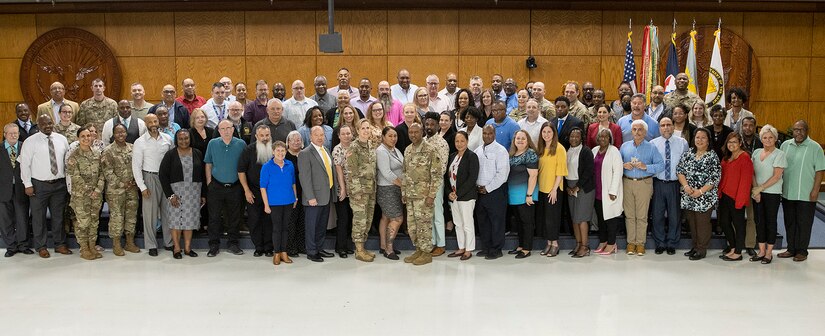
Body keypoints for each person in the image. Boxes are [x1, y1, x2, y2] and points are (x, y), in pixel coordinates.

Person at [19, 114, 71, 258]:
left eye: (49, 123)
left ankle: (60, 244)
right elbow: (25, 165)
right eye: (44, 124)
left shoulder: (62, 139)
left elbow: (67, 161)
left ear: (53, 122)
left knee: (58, 217)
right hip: (38, 185)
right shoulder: (30, 142)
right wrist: (27, 184)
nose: (47, 126)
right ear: (38, 125)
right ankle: (41, 246)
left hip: (59, 185)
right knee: (38, 218)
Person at [778, 120, 825, 262]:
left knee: (804, 223)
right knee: (790, 222)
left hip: (806, 194)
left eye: (801, 129)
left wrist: (815, 190)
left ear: (807, 131)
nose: (798, 132)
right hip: (788, 193)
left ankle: (802, 251)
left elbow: (819, 170)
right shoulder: (785, 145)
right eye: (796, 130)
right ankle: (791, 249)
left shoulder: (815, 147)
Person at [158, 128, 205, 259]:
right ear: (176, 140)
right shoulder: (170, 155)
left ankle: (188, 248)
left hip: (193, 193)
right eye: (180, 139)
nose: (183, 141)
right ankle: (177, 248)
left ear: (190, 139)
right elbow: (163, 175)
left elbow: (202, 175)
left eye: (186, 138)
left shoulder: (197, 153)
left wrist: (203, 194)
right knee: (175, 221)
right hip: (176, 193)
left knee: (190, 221)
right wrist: (170, 195)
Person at [620, 120, 664, 256]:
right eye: (634, 129)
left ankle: (640, 243)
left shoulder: (651, 147)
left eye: (640, 130)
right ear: (631, 131)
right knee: (629, 215)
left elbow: (660, 165)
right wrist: (623, 165)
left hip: (644, 183)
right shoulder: (624, 146)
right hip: (627, 182)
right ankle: (630, 242)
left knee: (642, 215)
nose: (637, 132)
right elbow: (616, 164)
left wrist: (646, 167)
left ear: (645, 132)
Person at [133, 114, 175, 256]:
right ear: (145, 124)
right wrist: (142, 187)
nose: (153, 123)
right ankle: (151, 245)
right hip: (149, 178)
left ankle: (169, 242)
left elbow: (173, 161)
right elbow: (136, 166)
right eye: (150, 121)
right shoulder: (140, 142)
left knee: (167, 212)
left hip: (166, 179)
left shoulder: (168, 139)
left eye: (155, 121)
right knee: (149, 214)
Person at [677, 128, 721, 260]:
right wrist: (685, 186)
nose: (699, 140)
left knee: (702, 224)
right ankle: (695, 246)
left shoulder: (712, 156)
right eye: (697, 137)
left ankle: (702, 249)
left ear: (708, 141)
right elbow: (680, 170)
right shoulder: (688, 153)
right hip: (689, 194)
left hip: (704, 197)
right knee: (692, 223)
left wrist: (700, 191)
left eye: (703, 138)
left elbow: (715, 178)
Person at [204, 120, 247, 257]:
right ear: (219, 130)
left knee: (234, 217)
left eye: (229, 128)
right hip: (216, 186)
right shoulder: (213, 143)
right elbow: (208, 164)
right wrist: (209, 182)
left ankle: (233, 243)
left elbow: (244, 166)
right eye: (223, 128)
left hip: (235, 186)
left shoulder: (241, 144)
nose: (226, 130)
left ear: (233, 129)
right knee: (214, 217)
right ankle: (214, 245)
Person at [402, 123, 441, 265]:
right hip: (411, 195)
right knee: (412, 226)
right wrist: (404, 192)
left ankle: (426, 253)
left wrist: (431, 195)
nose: (413, 135)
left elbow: (437, 175)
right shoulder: (407, 150)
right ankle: (418, 249)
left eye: (416, 132)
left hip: (424, 196)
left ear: (422, 132)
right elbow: (405, 173)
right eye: (410, 132)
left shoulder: (430, 150)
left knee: (424, 224)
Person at [649, 117, 689, 255]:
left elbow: (686, 165)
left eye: (668, 125)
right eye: (663, 125)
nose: (666, 128)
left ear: (673, 126)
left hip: (675, 184)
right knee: (657, 214)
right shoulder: (653, 144)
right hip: (658, 183)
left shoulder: (682, 143)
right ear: (659, 128)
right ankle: (660, 242)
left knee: (674, 215)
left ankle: (672, 242)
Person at [298, 126, 338, 262]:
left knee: (322, 225)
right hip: (314, 197)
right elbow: (304, 177)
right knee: (311, 226)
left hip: (326, 196)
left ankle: (319, 248)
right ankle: (311, 251)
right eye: (317, 135)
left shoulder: (325, 150)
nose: (320, 137)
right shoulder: (305, 153)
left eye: (322, 135)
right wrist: (310, 197)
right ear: (310, 137)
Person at [100, 124, 141, 256]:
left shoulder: (133, 148)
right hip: (115, 190)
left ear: (126, 133)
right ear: (113, 134)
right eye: (118, 132)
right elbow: (108, 172)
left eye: (123, 132)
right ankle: (116, 244)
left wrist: (135, 181)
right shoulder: (108, 150)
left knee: (131, 215)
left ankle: (129, 242)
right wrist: (122, 184)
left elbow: (138, 165)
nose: (120, 134)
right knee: (117, 217)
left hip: (132, 188)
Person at [65, 126, 104, 260]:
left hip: (96, 196)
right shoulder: (73, 156)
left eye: (88, 136)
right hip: (81, 196)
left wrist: (97, 190)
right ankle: (84, 248)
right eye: (83, 136)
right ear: (78, 138)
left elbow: (102, 174)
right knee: (83, 223)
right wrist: (89, 191)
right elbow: (75, 177)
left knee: (94, 222)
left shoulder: (97, 153)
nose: (86, 138)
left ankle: (92, 246)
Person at [750, 125, 787, 264]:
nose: (768, 140)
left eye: (771, 137)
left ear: (775, 139)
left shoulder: (780, 154)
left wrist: (761, 188)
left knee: (770, 222)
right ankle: (761, 251)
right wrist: (755, 189)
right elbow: (752, 173)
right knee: (759, 222)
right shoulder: (756, 152)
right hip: (757, 193)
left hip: (772, 193)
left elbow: (777, 176)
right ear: (761, 139)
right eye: (765, 137)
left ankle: (769, 253)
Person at [473, 125, 510, 260]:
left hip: (495, 192)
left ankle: (496, 249)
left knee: (496, 221)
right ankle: (486, 247)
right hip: (480, 192)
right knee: (483, 221)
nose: (487, 136)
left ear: (494, 134)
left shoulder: (501, 151)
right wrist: (478, 187)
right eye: (485, 133)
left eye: (490, 133)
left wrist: (488, 188)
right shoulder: (478, 151)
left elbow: (502, 174)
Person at [238, 125, 274, 257]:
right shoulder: (249, 150)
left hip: (271, 192)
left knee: (269, 220)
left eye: (267, 135)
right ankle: (258, 247)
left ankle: (269, 247)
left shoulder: (275, 149)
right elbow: (241, 171)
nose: (265, 138)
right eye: (262, 136)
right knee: (255, 220)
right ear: (256, 136)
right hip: (253, 191)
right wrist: (246, 190)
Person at [260, 141, 298, 266]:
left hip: (288, 201)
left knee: (285, 228)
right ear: (273, 152)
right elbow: (263, 187)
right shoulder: (267, 166)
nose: (280, 153)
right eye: (278, 151)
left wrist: (295, 198)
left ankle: (284, 252)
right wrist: (266, 204)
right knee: (277, 228)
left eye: (283, 151)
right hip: (274, 202)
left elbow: (293, 183)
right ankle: (277, 253)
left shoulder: (290, 165)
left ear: (286, 152)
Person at [717, 133, 754, 261]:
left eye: (734, 142)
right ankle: (732, 247)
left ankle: (738, 252)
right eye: (729, 142)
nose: (731, 144)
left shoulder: (744, 158)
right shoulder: (727, 157)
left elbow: (746, 181)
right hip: (724, 195)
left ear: (740, 144)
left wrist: (741, 200)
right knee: (724, 222)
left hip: (737, 197)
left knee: (738, 225)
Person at [346, 120, 379, 262]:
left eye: (368, 128)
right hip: (359, 191)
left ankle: (363, 247)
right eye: (363, 128)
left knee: (368, 218)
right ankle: (358, 250)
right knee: (360, 220)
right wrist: (357, 191)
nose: (366, 130)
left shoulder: (371, 146)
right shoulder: (354, 147)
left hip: (371, 189)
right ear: (357, 131)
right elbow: (351, 172)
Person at [445, 131, 479, 260]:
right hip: (453, 197)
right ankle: (461, 247)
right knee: (458, 223)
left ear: (467, 141)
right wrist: (449, 193)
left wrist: (457, 193)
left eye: (462, 141)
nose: (459, 144)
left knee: (467, 223)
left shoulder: (472, 156)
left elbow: (472, 179)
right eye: (457, 141)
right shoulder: (452, 156)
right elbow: (446, 177)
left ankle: (469, 249)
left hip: (466, 196)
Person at [1, 124, 33, 257]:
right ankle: (11, 246)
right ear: (4, 134)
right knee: (5, 220)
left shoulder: (25, 147)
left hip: (21, 188)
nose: (14, 135)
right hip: (3, 190)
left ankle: (23, 245)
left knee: (22, 218)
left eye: (16, 133)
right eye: (10, 133)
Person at [536, 122, 567, 256]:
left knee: (552, 218)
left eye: (549, 132)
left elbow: (560, 171)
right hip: (542, 188)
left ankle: (555, 244)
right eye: (544, 132)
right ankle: (548, 243)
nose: (546, 135)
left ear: (554, 133)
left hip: (553, 189)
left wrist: (554, 189)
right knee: (545, 218)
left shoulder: (559, 148)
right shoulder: (541, 148)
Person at [507, 130, 538, 259]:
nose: (520, 140)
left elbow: (533, 175)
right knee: (519, 221)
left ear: (527, 140)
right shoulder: (512, 154)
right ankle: (521, 245)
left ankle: (527, 248)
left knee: (527, 222)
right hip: (514, 194)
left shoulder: (530, 153)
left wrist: (529, 194)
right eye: (517, 138)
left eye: (523, 138)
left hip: (526, 193)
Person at [592, 129, 624, 255]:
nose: (603, 139)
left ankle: (611, 243)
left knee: (611, 219)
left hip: (609, 191)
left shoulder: (614, 151)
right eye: (601, 137)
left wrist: (613, 190)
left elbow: (618, 171)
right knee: (601, 218)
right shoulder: (594, 150)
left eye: (606, 137)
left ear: (610, 139)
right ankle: (603, 241)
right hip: (597, 191)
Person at [375, 125, 404, 259]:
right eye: (390, 136)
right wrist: (403, 185)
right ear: (383, 137)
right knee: (397, 218)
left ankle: (383, 246)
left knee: (386, 217)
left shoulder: (395, 150)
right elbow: (387, 173)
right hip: (387, 189)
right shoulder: (381, 151)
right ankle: (389, 249)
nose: (393, 138)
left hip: (395, 188)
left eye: (395, 136)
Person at [566, 128, 595, 258]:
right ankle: (578, 244)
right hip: (569, 186)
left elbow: (588, 172)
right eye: (571, 136)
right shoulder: (566, 151)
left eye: (577, 136)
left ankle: (585, 246)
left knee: (582, 218)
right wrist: (568, 186)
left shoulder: (586, 151)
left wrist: (578, 187)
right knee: (574, 218)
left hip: (583, 188)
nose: (574, 139)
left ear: (581, 138)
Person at [423, 112, 449, 256]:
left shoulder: (441, 143)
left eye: (432, 124)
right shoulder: (423, 140)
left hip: (436, 183)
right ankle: (432, 242)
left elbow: (442, 167)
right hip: (423, 184)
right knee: (429, 215)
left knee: (438, 214)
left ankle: (441, 244)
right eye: (427, 124)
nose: (429, 127)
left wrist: (432, 184)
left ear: (438, 126)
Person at [332, 124, 355, 258]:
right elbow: (339, 170)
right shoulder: (337, 149)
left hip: (355, 189)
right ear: (339, 136)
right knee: (343, 219)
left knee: (352, 218)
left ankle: (347, 245)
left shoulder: (354, 147)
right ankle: (340, 247)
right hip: (342, 189)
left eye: (348, 133)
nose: (346, 136)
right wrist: (343, 189)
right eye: (344, 134)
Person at [285, 131, 306, 256]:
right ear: (288, 142)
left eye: (298, 140)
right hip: (290, 194)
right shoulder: (285, 156)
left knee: (302, 221)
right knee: (291, 221)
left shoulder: (305, 155)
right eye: (292, 140)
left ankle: (301, 246)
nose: (296, 142)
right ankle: (290, 247)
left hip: (305, 192)